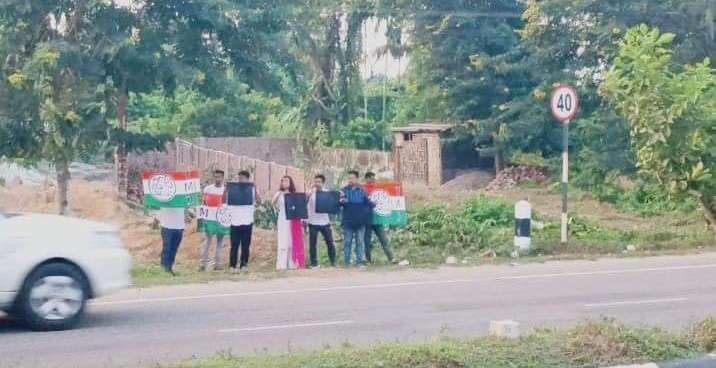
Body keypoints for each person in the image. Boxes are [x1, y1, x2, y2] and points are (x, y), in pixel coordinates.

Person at [339, 170, 372, 268]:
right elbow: (337, 203)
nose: (350, 180)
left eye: (352, 178)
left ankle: (359, 263)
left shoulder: (362, 191)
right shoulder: (343, 191)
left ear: (357, 179)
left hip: (360, 222)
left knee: (360, 242)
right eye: (348, 178)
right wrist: (341, 201)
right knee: (347, 242)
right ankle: (347, 263)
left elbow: (368, 204)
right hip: (348, 222)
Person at [272, 175, 306, 270]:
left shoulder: (294, 194)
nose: (284, 183)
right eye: (282, 181)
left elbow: (299, 208)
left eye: (286, 181)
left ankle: (293, 264)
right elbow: (273, 202)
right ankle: (281, 266)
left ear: (290, 182)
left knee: (292, 241)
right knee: (283, 241)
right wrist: (280, 194)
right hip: (283, 219)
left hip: (293, 220)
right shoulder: (279, 193)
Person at [227, 170, 257, 274]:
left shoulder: (251, 189)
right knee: (234, 245)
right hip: (235, 221)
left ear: (247, 179)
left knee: (246, 245)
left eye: (242, 178)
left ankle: (244, 264)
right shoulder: (233, 189)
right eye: (239, 178)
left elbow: (259, 200)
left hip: (247, 221)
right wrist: (226, 190)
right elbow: (223, 201)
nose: (240, 180)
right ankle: (232, 265)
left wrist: (255, 188)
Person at [363, 172, 396, 264]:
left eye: (374, 179)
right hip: (367, 219)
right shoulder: (362, 189)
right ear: (367, 179)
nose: (373, 181)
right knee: (367, 241)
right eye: (372, 179)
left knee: (383, 239)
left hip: (378, 218)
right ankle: (368, 260)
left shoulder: (378, 189)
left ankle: (391, 258)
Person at [307, 174, 337, 268]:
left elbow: (333, 205)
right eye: (315, 181)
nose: (317, 183)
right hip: (313, 222)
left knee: (330, 242)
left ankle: (333, 262)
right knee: (312, 244)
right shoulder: (311, 193)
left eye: (319, 182)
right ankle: (314, 263)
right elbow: (304, 203)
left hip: (325, 222)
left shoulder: (327, 193)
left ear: (323, 183)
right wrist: (308, 194)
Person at [199, 170, 226, 272]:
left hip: (220, 221)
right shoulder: (208, 189)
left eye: (219, 177)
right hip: (209, 220)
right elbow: (204, 204)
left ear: (223, 178)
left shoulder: (225, 190)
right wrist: (203, 219)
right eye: (216, 177)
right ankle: (202, 264)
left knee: (220, 242)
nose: (217, 179)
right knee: (207, 242)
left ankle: (217, 264)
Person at [156, 207, 186, 276]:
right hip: (167, 226)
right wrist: (157, 220)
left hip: (179, 227)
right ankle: (164, 269)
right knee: (167, 248)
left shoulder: (181, 198)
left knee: (174, 249)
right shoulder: (167, 198)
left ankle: (169, 268)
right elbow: (160, 206)